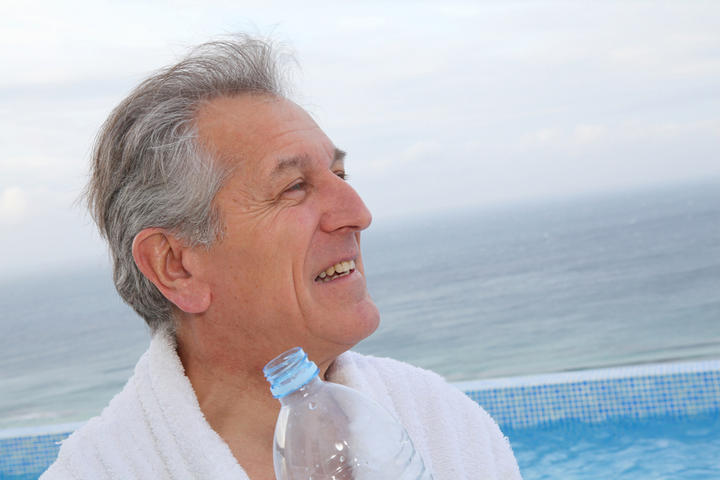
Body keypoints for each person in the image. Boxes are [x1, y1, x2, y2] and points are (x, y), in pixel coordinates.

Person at [41, 36, 521, 480]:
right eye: (294, 187)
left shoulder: (443, 423)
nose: (358, 214)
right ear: (176, 266)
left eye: (340, 174)